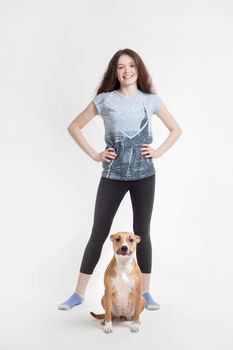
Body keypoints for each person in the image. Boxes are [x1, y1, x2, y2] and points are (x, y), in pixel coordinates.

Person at [58, 48, 182, 311]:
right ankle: (78, 293)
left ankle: (146, 293)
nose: (127, 71)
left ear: (139, 69)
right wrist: (95, 154)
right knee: (99, 232)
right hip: (113, 175)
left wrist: (157, 151)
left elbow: (176, 129)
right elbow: (74, 127)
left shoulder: (151, 100)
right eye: (121, 67)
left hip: (144, 176)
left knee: (143, 233)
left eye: (131, 65)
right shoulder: (105, 100)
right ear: (115, 72)